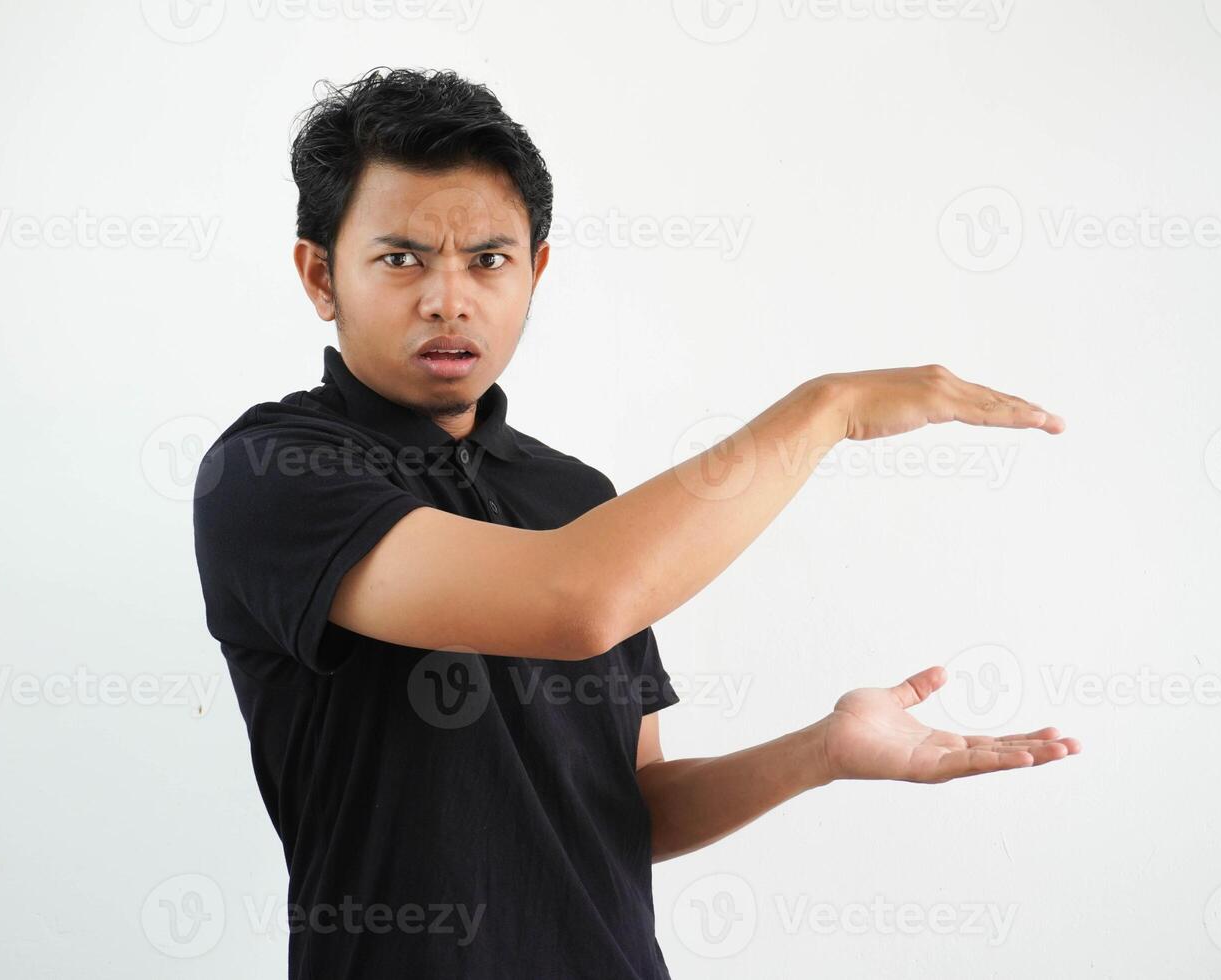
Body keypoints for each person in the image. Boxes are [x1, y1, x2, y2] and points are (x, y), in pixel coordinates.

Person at [191, 66, 1080, 980]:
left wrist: (822, 751)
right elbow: (576, 598)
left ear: (535, 270)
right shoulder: (273, 471)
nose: (448, 299)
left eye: (488, 260)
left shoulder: (574, 497)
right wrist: (830, 408)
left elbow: (636, 803)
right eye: (401, 258)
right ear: (318, 274)